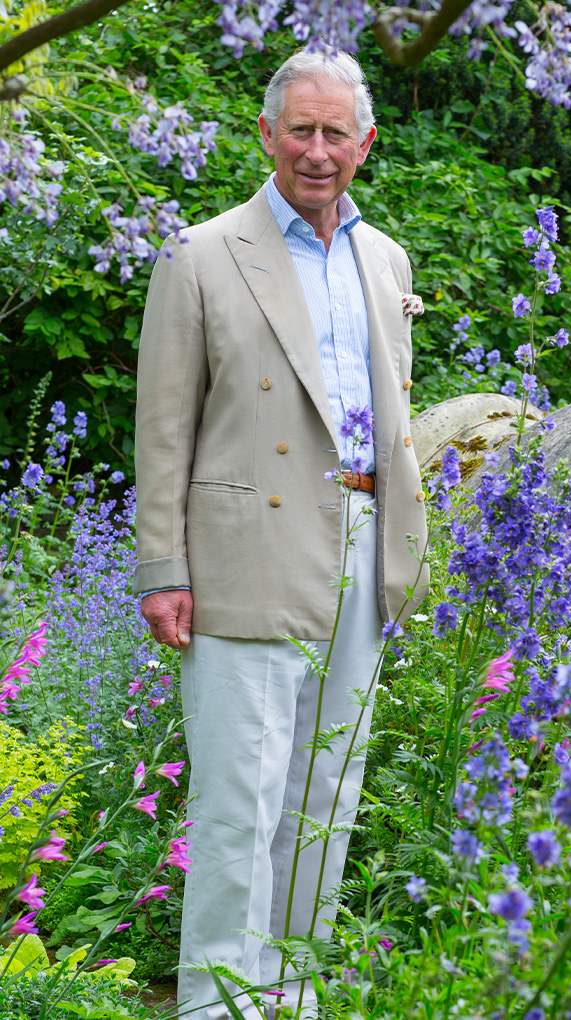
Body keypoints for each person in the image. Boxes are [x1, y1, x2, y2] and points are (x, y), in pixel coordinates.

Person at [133, 48, 429, 1020]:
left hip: (361, 542)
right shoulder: (201, 254)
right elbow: (164, 425)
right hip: (242, 555)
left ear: (365, 142)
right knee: (238, 808)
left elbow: (393, 413)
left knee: (325, 803)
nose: (316, 150)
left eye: (334, 132)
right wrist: (163, 568)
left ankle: (291, 999)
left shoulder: (386, 261)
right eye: (299, 130)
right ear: (266, 134)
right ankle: (218, 1007)